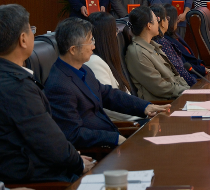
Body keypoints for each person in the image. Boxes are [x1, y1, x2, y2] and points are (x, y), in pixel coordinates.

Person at [0, 4, 94, 183]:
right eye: (31, 30)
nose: (33, 34)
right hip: (35, 177)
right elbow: (46, 138)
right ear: (23, 40)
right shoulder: (18, 87)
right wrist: (78, 163)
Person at [44, 18, 169, 149]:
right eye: (90, 42)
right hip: (100, 149)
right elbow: (74, 134)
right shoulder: (59, 86)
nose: (93, 46)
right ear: (73, 50)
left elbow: (108, 94)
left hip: (111, 135)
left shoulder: (83, 69)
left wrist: (145, 107)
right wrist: (114, 138)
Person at [85, 11, 141, 121]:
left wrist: (145, 108)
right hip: (124, 125)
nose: (117, 34)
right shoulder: (94, 62)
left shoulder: (105, 59)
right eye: (115, 30)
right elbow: (108, 105)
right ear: (106, 35)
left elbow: (125, 98)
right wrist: (143, 114)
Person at [125, 6, 190, 101]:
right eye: (156, 20)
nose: (158, 23)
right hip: (163, 102)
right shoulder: (137, 53)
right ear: (149, 25)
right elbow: (160, 87)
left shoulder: (152, 44)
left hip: (177, 94)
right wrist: (186, 91)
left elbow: (175, 75)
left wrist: (188, 89)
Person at [150, 4, 197, 86]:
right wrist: (195, 83)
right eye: (167, 19)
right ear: (162, 23)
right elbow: (178, 70)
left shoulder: (161, 40)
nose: (168, 21)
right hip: (180, 87)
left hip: (180, 84)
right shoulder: (162, 42)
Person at [163, 3, 207, 77]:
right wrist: (203, 70)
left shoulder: (176, 35)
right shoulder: (167, 41)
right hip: (190, 76)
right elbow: (183, 64)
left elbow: (190, 58)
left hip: (196, 70)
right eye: (176, 18)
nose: (177, 20)